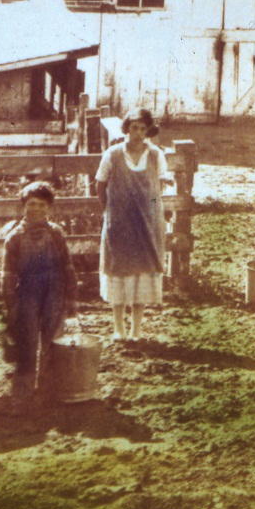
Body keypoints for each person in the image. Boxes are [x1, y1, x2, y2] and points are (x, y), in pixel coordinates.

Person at [92, 112, 170, 339]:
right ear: (126, 129)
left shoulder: (156, 155)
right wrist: (111, 210)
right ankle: (119, 329)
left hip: (147, 224)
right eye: (134, 128)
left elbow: (159, 190)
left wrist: (154, 208)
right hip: (119, 224)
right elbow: (100, 186)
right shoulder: (113, 154)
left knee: (142, 274)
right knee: (119, 271)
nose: (138, 134)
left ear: (148, 132)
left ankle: (136, 331)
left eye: (143, 129)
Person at [0, 182, 72, 413]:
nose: (36, 209)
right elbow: (8, 273)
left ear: (49, 208)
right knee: (26, 344)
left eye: (41, 205)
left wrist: (71, 297)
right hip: (27, 294)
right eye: (31, 204)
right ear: (24, 206)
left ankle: (48, 393)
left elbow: (67, 266)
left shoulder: (56, 233)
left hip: (54, 292)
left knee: (52, 341)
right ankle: (22, 396)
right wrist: (10, 304)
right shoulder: (15, 238)